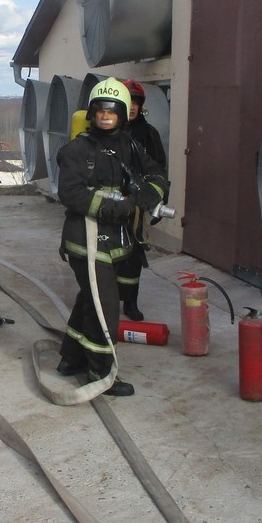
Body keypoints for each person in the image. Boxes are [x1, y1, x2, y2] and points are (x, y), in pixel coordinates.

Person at [55, 78, 168, 396]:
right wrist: (117, 207)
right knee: (105, 305)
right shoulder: (76, 151)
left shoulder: (129, 146)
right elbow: (71, 194)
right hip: (85, 241)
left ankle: (71, 358)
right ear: (92, 113)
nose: (106, 116)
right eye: (100, 111)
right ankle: (101, 372)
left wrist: (150, 193)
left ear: (122, 114)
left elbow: (157, 173)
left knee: (89, 298)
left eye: (113, 111)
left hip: (114, 241)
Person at [117, 79, 168, 321]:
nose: (133, 107)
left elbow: (159, 169)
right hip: (110, 202)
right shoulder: (110, 131)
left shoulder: (149, 134)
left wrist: (158, 198)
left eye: (136, 102)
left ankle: (130, 302)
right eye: (129, 102)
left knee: (133, 253)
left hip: (135, 205)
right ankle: (105, 297)